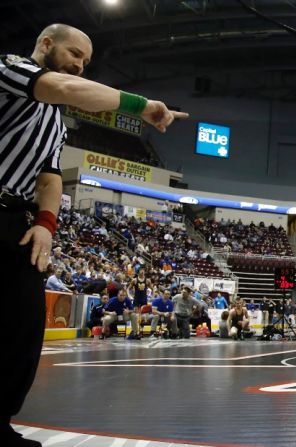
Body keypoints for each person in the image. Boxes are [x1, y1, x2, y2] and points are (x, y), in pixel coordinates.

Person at [1, 23, 187, 446]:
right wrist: (142, 105)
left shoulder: (54, 122)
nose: (80, 64)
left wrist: (46, 225)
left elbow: (48, 177)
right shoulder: (9, 68)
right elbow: (66, 88)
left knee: (22, 328)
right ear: (46, 44)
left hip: (15, 217)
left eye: (86, 60)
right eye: (74, 54)